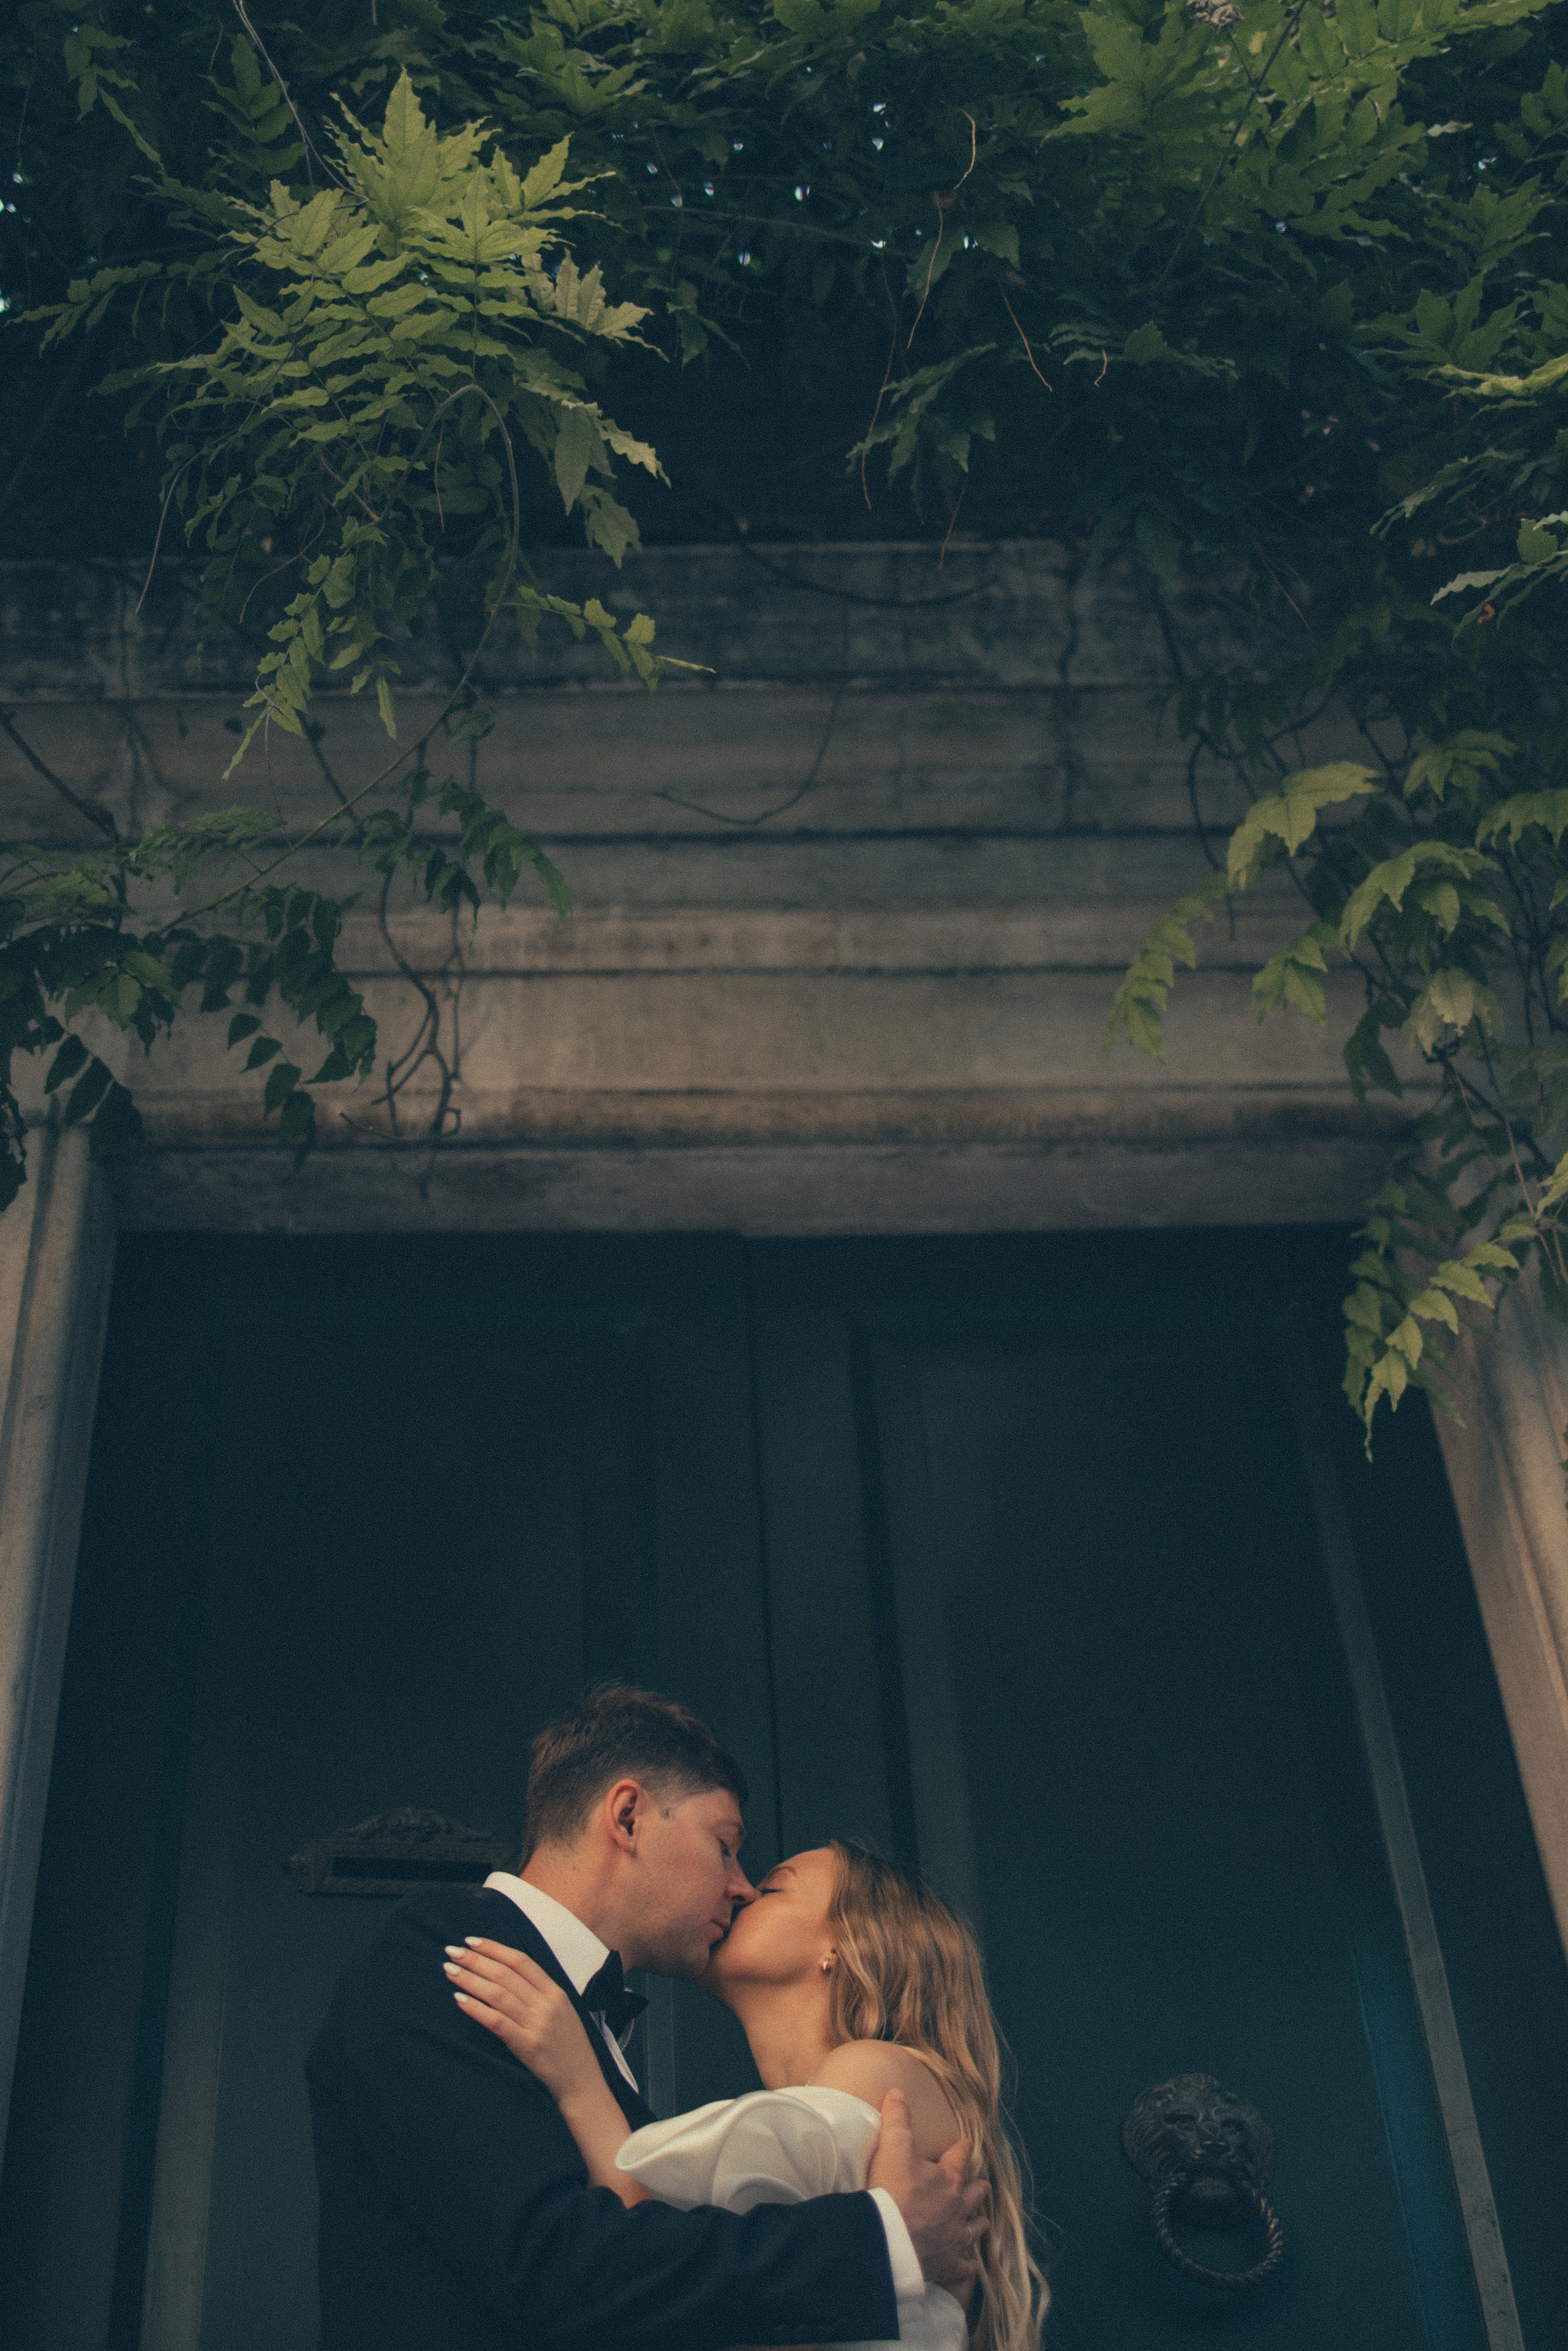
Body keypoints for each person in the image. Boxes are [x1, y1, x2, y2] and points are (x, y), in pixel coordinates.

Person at [307, 1684, 990, 2351]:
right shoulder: (455, 1949)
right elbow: (552, 2268)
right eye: (724, 1843)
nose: (741, 1883)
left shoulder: (588, 2032)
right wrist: (881, 2237)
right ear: (628, 1817)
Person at [448, 1838, 1046, 2351]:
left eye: (773, 1888)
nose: (738, 1893)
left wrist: (578, 2076)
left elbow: (697, 2307)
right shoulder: (848, 2088)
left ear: (843, 1946)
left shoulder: (875, 2075)